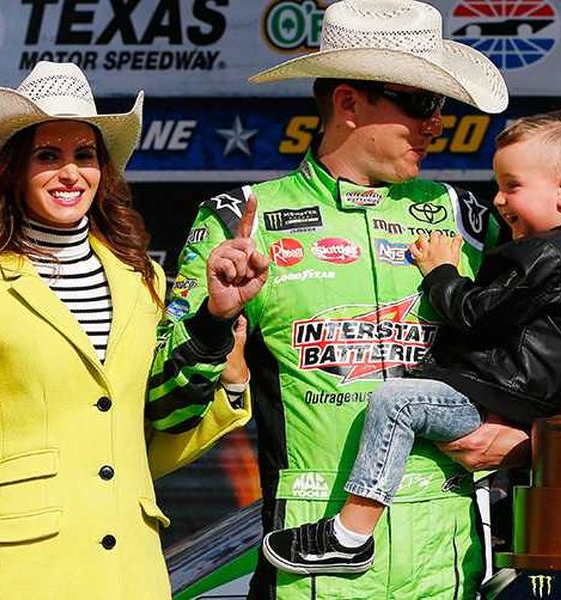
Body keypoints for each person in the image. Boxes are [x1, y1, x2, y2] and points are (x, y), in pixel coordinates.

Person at [146, 1, 521, 596]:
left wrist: (525, 433)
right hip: (312, 570)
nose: (437, 124)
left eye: (441, 106)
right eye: (421, 103)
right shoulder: (239, 220)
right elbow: (166, 411)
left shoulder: (469, 219)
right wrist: (215, 321)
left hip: (448, 564)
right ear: (348, 103)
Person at [0, 61, 251, 600]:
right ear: (15, 170)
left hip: (131, 572)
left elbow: (147, 447)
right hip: (19, 573)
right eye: (48, 155)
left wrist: (229, 380)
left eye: (85, 155)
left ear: (103, 170)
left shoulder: (143, 279)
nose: (70, 172)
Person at [261, 108, 561, 575]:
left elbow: (478, 313)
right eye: (498, 186)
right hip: (517, 407)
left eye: (511, 186)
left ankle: (349, 535)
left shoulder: (551, 253)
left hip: (506, 401)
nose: (498, 200)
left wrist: (441, 272)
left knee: (396, 400)